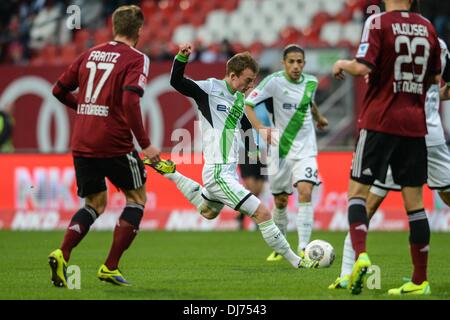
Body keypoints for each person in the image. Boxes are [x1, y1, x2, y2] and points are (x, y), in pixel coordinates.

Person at [146, 43, 318, 269]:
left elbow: (245, 124)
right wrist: (181, 58)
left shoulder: (238, 99)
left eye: (253, 80)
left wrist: (254, 148)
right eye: (248, 80)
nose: (251, 85)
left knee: (208, 212)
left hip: (227, 171)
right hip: (218, 172)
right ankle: (297, 261)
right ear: (233, 75)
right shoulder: (209, 89)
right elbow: (176, 82)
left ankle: (173, 174)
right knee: (263, 212)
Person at [331, 0, 441, 295]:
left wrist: (342, 64)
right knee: (415, 205)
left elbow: (362, 65)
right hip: (415, 125)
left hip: (379, 121)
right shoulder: (428, 27)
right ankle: (420, 281)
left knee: (357, 193)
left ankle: (362, 255)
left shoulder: (378, 22)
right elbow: (434, 79)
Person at [49, 5, 160, 288]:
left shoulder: (89, 53)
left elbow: (58, 90)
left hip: (82, 141)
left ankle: (63, 253)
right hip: (114, 142)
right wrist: (145, 145)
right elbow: (130, 101)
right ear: (138, 30)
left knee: (94, 204)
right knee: (136, 198)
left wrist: (85, 108)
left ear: (113, 27)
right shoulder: (137, 59)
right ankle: (110, 266)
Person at [244, 44, 328, 261]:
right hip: (280, 150)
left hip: (306, 149)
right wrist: (260, 129)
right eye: (291, 61)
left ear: (305, 63)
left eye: (299, 61)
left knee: (305, 191)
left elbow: (309, 103)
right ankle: (281, 246)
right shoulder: (273, 82)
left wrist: (319, 118)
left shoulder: (311, 82)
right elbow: (248, 103)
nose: (296, 66)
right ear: (283, 63)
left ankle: (304, 247)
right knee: (280, 201)